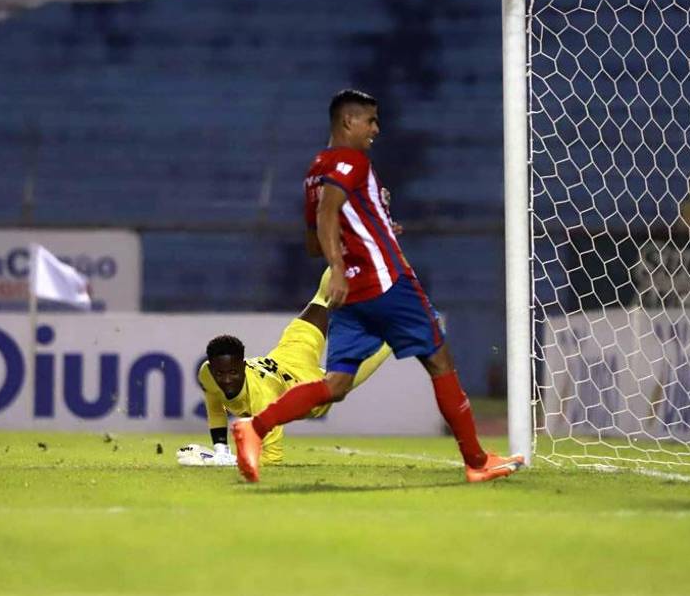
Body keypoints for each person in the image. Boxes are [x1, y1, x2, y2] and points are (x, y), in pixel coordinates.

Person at [230, 89, 523, 483]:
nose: (376, 129)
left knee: (335, 384)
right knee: (440, 360)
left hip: (351, 297)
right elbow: (330, 212)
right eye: (370, 120)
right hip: (386, 284)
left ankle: (256, 427)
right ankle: (476, 461)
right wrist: (339, 265)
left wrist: (371, 232)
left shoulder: (315, 170)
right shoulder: (351, 161)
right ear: (348, 121)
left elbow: (316, 237)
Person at [184, 266, 392, 467]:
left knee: (324, 304)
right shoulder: (207, 373)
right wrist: (221, 451)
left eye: (233, 372)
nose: (227, 380)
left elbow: (272, 459)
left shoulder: (262, 399)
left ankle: (352, 254)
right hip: (294, 371)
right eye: (220, 373)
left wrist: (227, 463)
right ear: (211, 369)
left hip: (300, 375)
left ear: (243, 364)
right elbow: (215, 400)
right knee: (322, 303)